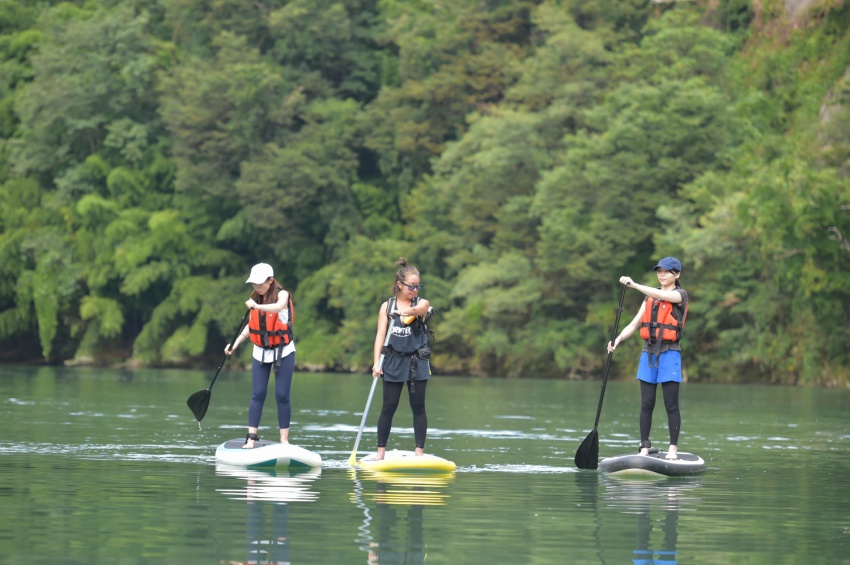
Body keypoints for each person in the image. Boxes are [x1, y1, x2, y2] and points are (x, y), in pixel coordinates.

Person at [606, 257, 689, 460]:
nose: (662, 274)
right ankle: (644, 447)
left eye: (667, 271)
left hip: (670, 353)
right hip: (648, 353)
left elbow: (661, 294)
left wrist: (633, 285)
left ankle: (673, 449)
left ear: (676, 274)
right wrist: (617, 340)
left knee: (671, 404)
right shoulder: (649, 299)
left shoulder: (680, 295)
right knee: (646, 403)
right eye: (659, 271)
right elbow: (634, 324)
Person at [224, 263, 296, 449]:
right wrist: (236, 343)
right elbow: (252, 325)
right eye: (253, 283)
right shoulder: (255, 298)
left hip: (283, 350)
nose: (256, 287)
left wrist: (256, 306)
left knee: (282, 396)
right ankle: (251, 438)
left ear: (270, 280)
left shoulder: (282, 294)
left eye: (259, 283)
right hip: (260, 351)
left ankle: (284, 441)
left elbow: (279, 307)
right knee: (258, 394)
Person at [370, 257, 432, 460]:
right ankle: (380, 453)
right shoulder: (386, 307)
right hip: (393, 361)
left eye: (417, 286)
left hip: (417, 362)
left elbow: (419, 310)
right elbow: (380, 335)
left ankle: (419, 452)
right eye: (411, 286)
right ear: (399, 285)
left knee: (418, 407)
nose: (415, 290)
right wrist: (376, 363)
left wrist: (405, 311)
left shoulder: (421, 303)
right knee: (388, 407)